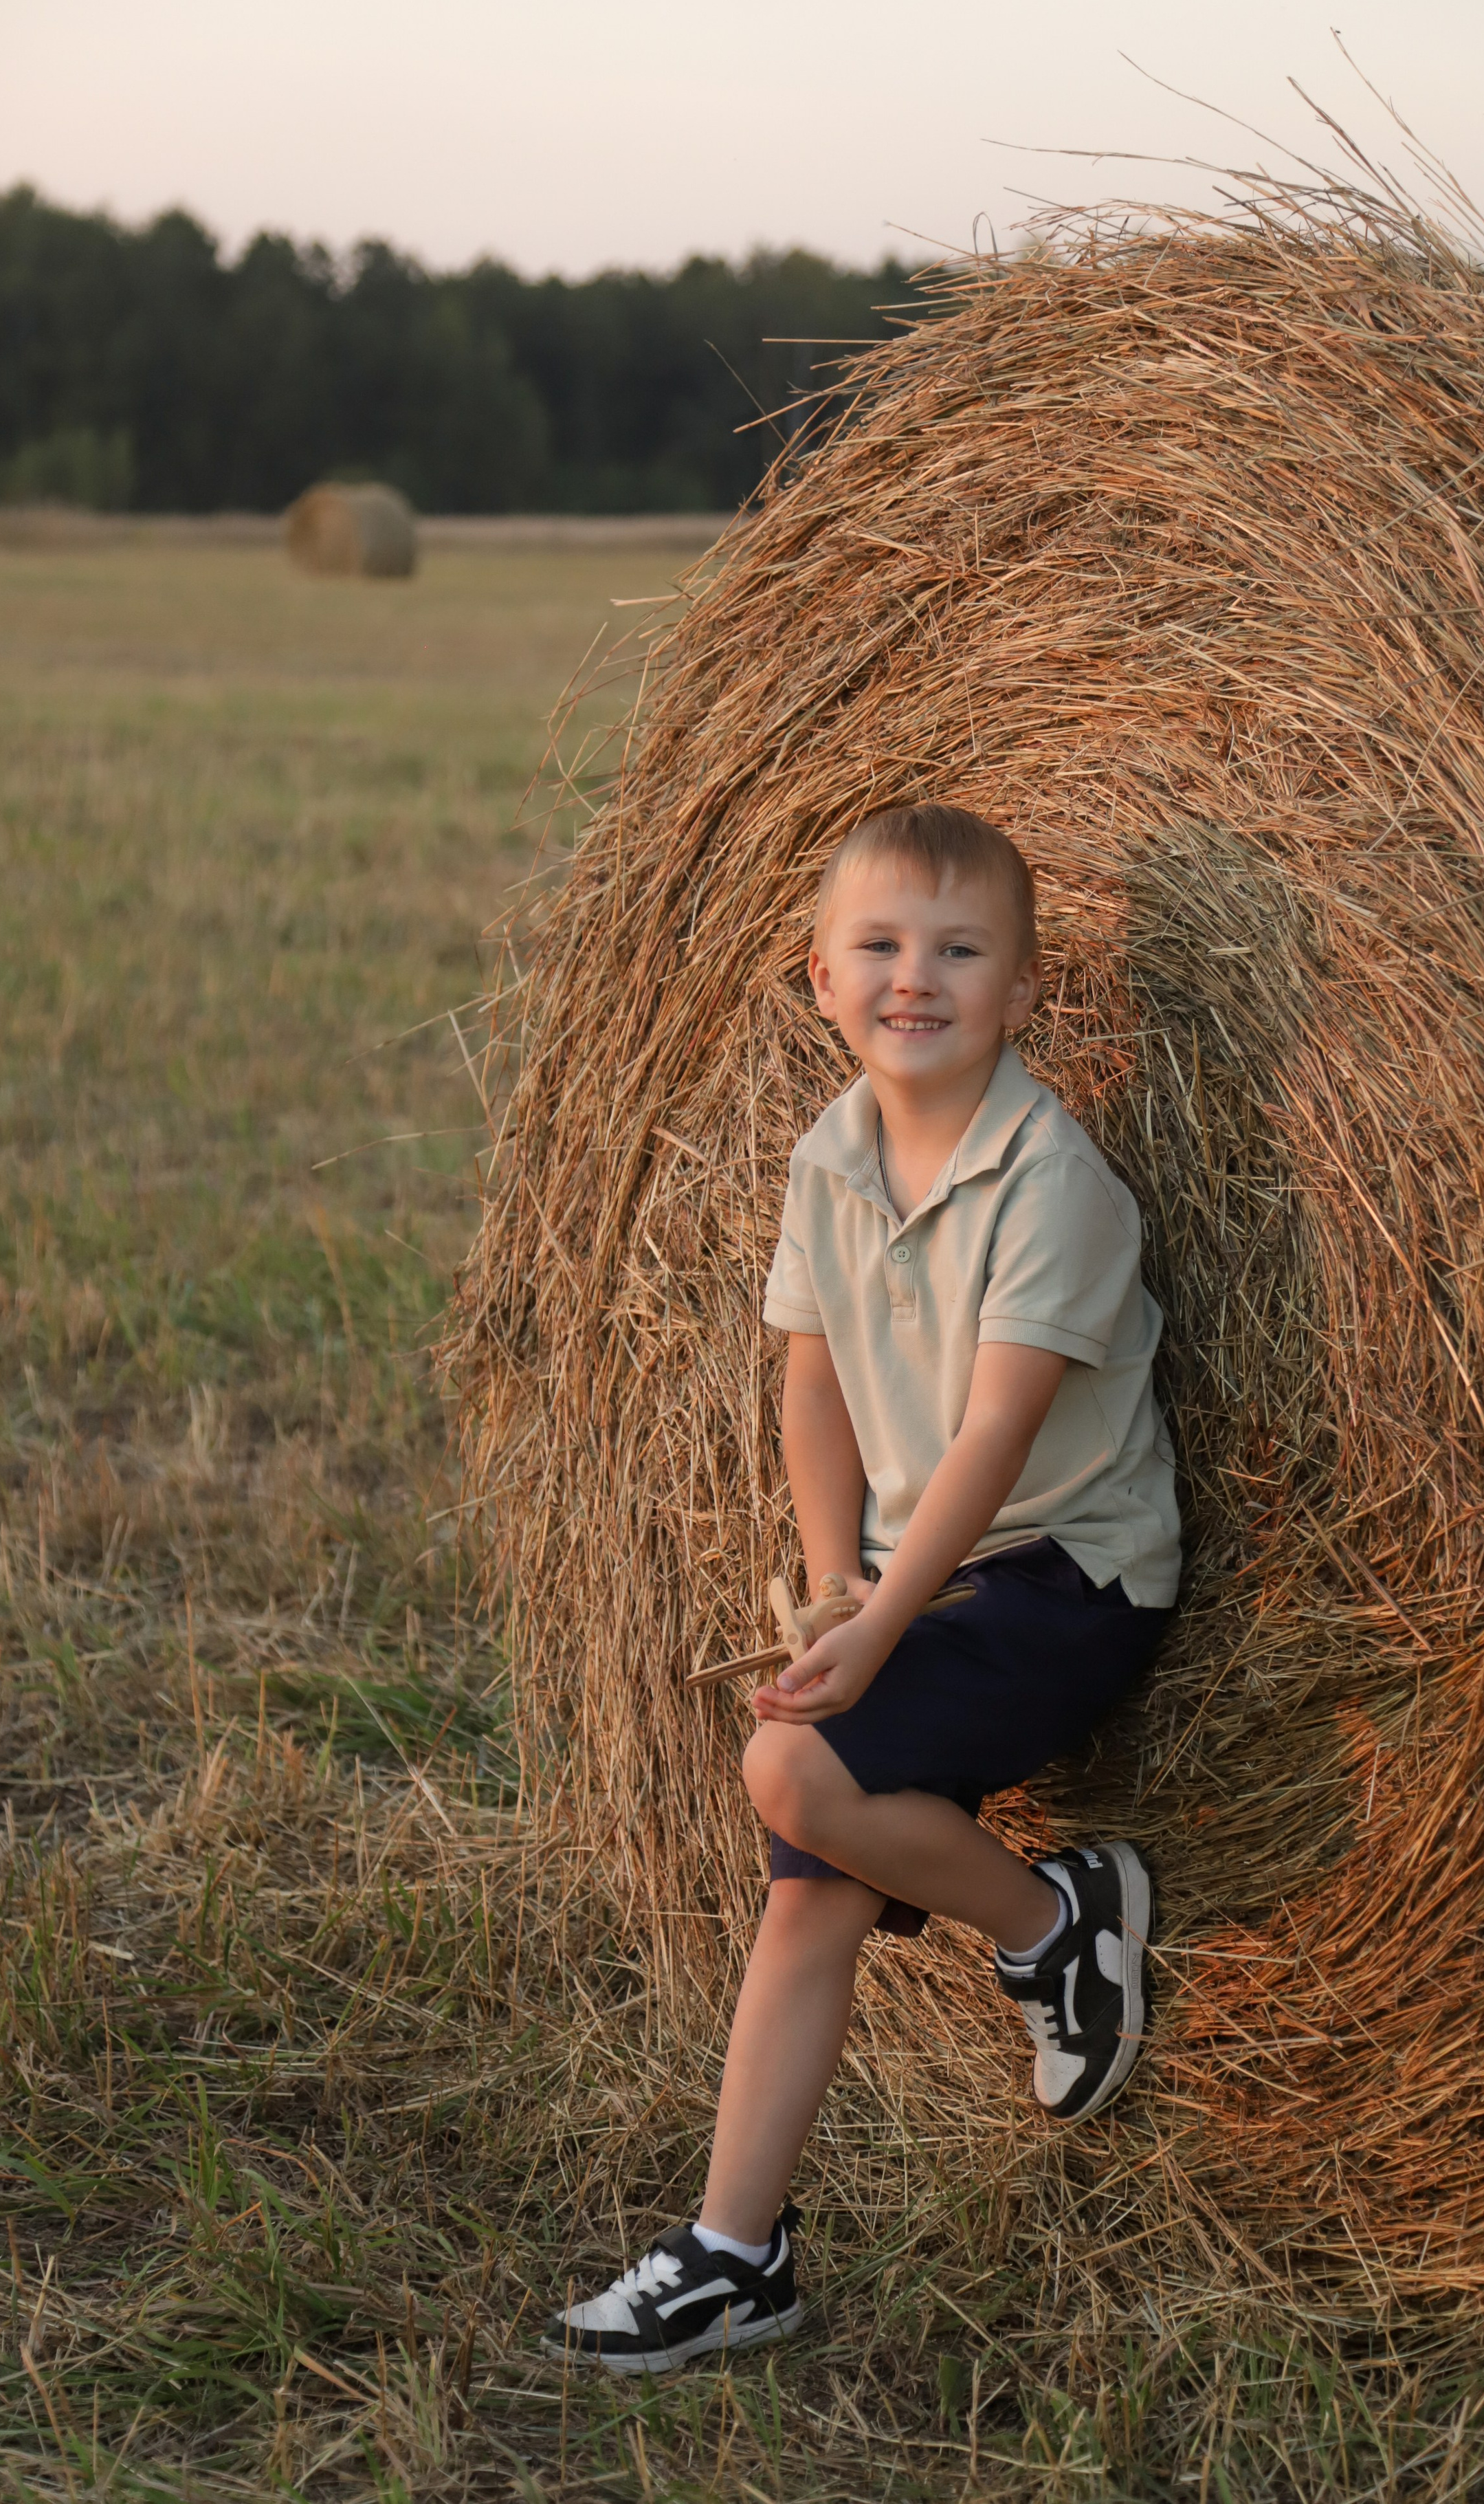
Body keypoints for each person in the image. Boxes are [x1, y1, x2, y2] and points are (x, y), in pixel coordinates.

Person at [542, 802, 1180, 2375]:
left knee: (789, 1765)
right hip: (913, 1578)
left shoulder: (1053, 1183)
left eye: (959, 953)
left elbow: (992, 1438)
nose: (916, 979)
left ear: (1021, 993)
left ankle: (1052, 1922)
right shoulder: (824, 1158)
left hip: (1066, 1572)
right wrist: (835, 1584)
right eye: (882, 949)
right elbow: (810, 1389)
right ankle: (733, 2249)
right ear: (818, 975)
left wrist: (884, 1621)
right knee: (808, 1880)